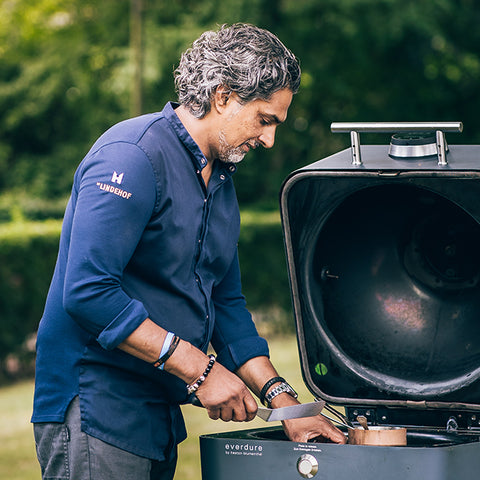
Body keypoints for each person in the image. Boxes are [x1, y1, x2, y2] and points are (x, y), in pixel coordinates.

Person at [32, 23, 346, 480]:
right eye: (265, 119)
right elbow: (87, 291)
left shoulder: (220, 181)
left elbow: (226, 305)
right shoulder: (131, 155)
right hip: (95, 405)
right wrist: (202, 372)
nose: (269, 139)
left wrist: (285, 403)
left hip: (156, 412)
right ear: (222, 96)